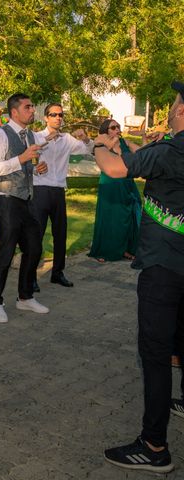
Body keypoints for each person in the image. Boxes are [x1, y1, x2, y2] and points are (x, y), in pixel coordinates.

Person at [99, 81, 184, 474]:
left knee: (155, 353)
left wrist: (101, 145)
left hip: (163, 268)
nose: (169, 106)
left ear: (181, 112)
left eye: (173, 102)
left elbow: (116, 171)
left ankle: (154, 445)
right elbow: (143, 161)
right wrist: (126, 147)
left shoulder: (171, 150)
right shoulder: (167, 152)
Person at [0, 93, 50, 324]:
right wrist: (22, 158)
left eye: (32, 106)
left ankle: (25, 297)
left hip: (27, 199)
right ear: (14, 112)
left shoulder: (30, 134)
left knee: (34, 248)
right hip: (6, 199)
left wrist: (38, 166)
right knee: (6, 252)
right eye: (28, 107)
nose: (33, 110)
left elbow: (27, 163)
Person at [31, 103, 94, 290]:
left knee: (60, 234)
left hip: (58, 190)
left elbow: (87, 149)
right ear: (46, 118)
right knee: (36, 235)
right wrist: (46, 141)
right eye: (54, 114)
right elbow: (27, 154)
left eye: (61, 114)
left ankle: (57, 273)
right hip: (40, 190)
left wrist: (86, 138)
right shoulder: (36, 136)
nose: (58, 117)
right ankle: (30, 276)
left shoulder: (67, 138)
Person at [88, 119, 142, 263]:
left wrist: (144, 137)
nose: (117, 129)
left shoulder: (126, 143)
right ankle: (105, 250)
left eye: (118, 126)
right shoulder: (101, 144)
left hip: (127, 183)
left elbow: (142, 153)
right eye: (113, 127)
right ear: (106, 130)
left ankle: (127, 249)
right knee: (110, 217)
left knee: (130, 215)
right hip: (110, 184)